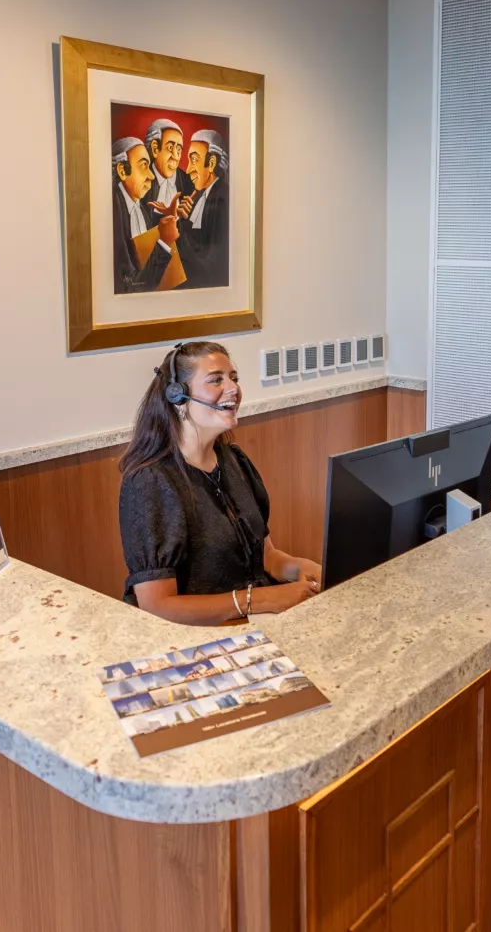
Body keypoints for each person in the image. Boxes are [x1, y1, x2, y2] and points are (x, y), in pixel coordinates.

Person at [119, 341, 322, 624]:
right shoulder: (151, 482)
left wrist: (301, 568)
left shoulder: (233, 460)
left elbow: (265, 556)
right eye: (216, 380)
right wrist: (260, 600)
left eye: (234, 379)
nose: (233, 389)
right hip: (201, 636)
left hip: (251, 620)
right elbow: (157, 605)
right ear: (178, 397)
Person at [112, 136, 180, 294]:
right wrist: (164, 242)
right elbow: (132, 287)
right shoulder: (113, 214)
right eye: (144, 165)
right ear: (122, 171)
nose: (151, 175)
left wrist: (170, 219)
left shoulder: (141, 208)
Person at [179, 128, 230, 289]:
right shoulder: (201, 195)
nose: (187, 169)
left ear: (212, 163)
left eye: (194, 160)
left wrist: (180, 230)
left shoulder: (222, 199)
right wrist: (183, 220)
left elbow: (209, 268)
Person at [142, 118, 193, 225]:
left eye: (179, 149)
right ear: (155, 149)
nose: (176, 156)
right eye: (170, 147)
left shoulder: (188, 183)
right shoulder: (140, 182)